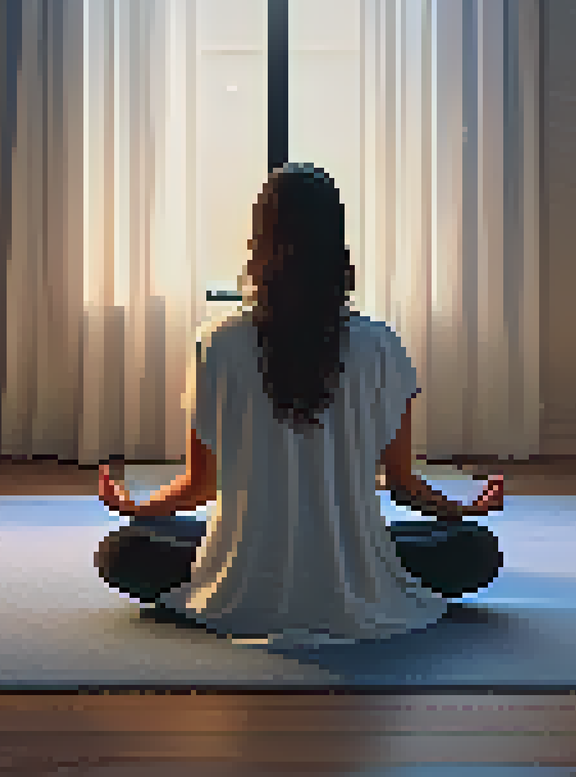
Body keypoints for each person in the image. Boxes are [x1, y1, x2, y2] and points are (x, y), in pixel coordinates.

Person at [95, 162, 505, 648]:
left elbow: (200, 486)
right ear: (337, 245)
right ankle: (340, 575)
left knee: (122, 553)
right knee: (476, 552)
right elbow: (401, 484)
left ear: (259, 244)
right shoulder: (380, 346)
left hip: (242, 579)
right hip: (355, 577)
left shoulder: (217, 344)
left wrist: (137, 508)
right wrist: (461, 510)